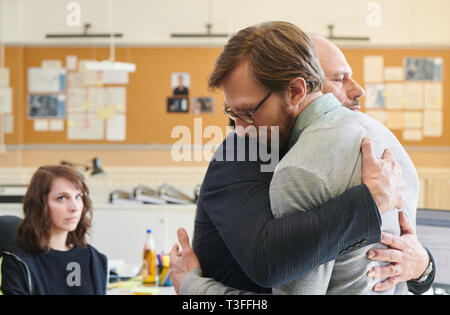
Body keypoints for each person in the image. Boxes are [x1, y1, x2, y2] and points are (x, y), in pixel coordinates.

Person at [169, 22, 434, 295]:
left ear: (299, 90)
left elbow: (402, 252)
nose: (358, 91)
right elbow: (268, 259)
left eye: (247, 112)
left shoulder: (347, 153)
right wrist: (370, 202)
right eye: (340, 79)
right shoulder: (248, 148)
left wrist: (423, 266)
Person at [1, 165, 108, 295]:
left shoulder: (94, 258)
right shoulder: (18, 261)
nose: (75, 207)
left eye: (78, 197)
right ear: (40, 204)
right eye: (62, 198)